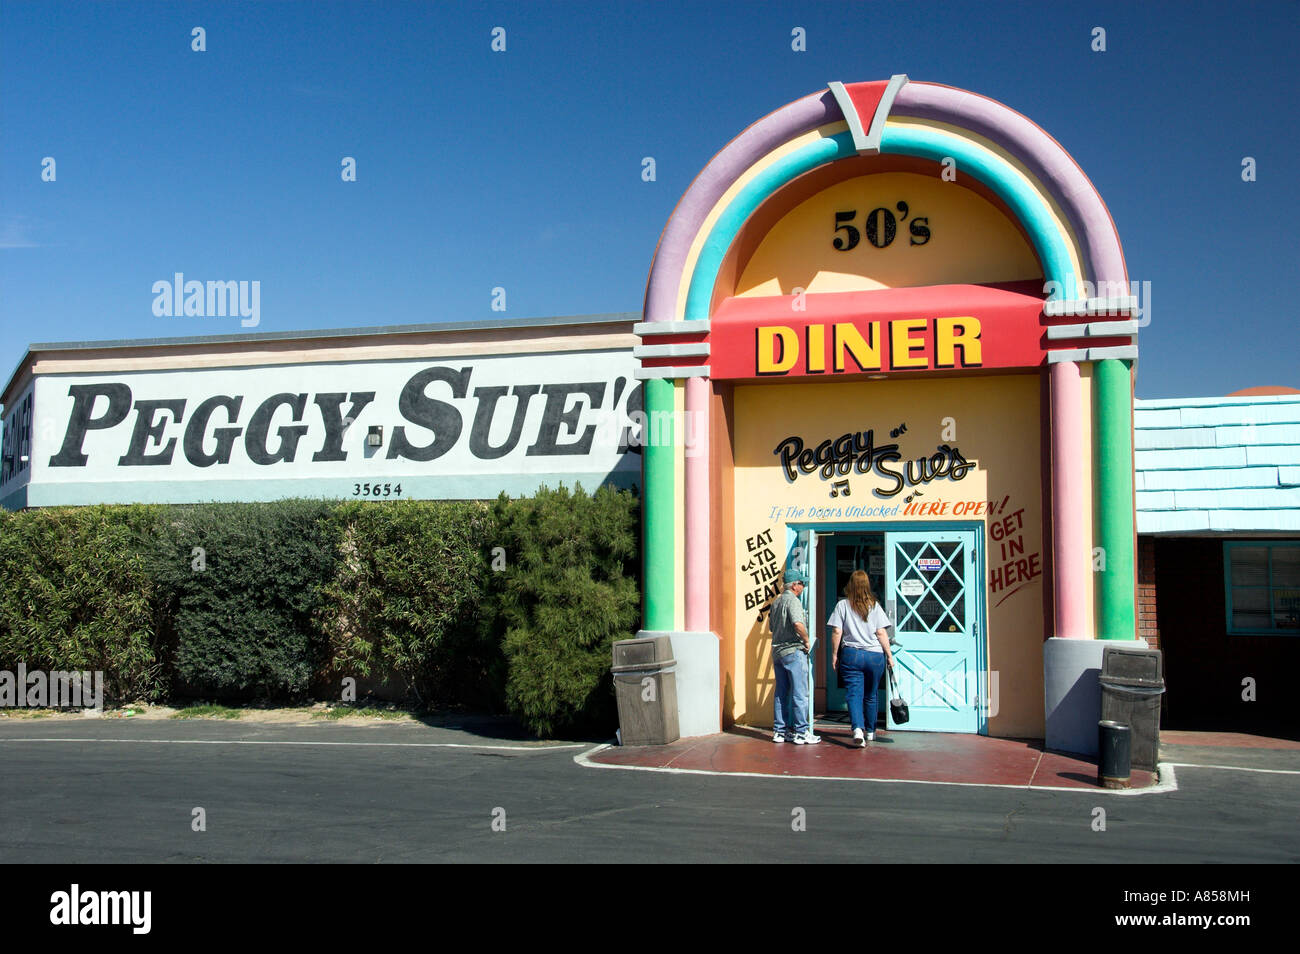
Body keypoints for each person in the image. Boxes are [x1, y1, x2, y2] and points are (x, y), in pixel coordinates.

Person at [828, 569, 894, 747]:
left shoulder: (842, 605)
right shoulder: (874, 605)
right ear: (867, 585)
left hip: (852, 653)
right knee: (871, 695)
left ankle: (858, 729)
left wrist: (834, 654)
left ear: (851, 584)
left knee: (854, 694)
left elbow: (836, 631)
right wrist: (889, 655)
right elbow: (881, 632)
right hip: (874, 655)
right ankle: (871, 731)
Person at [767, 568, 819, 744]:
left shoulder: (776, 603)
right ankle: (801, 731)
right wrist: (806, 640)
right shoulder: (793, 601)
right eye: (802, 583)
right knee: (800, 692)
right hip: (793, 650)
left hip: (778, 651)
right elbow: (797, 623)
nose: (803, 587)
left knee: (781, 692)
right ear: (795, 585)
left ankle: (780, 731)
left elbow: (771, 628)